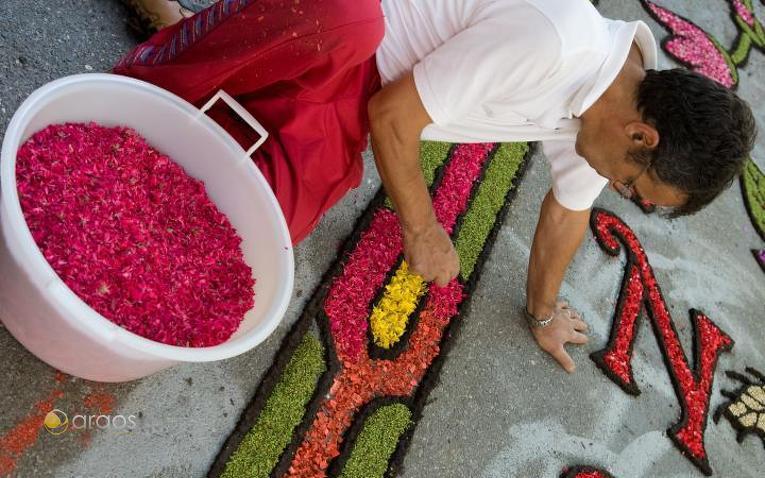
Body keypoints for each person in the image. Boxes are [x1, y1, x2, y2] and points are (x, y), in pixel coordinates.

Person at [114, 0, 756, 373]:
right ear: (642, 137)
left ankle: (214, 44)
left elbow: (567, 215)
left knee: (259, 223)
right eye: (633, 186)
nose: (620, 191)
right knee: (337, 25)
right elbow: (393, 116)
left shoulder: (613, 112)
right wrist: (421, 229)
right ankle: (172, 52)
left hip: (367, 85)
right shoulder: (556, 44)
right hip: (349, 33)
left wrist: (541, 314)